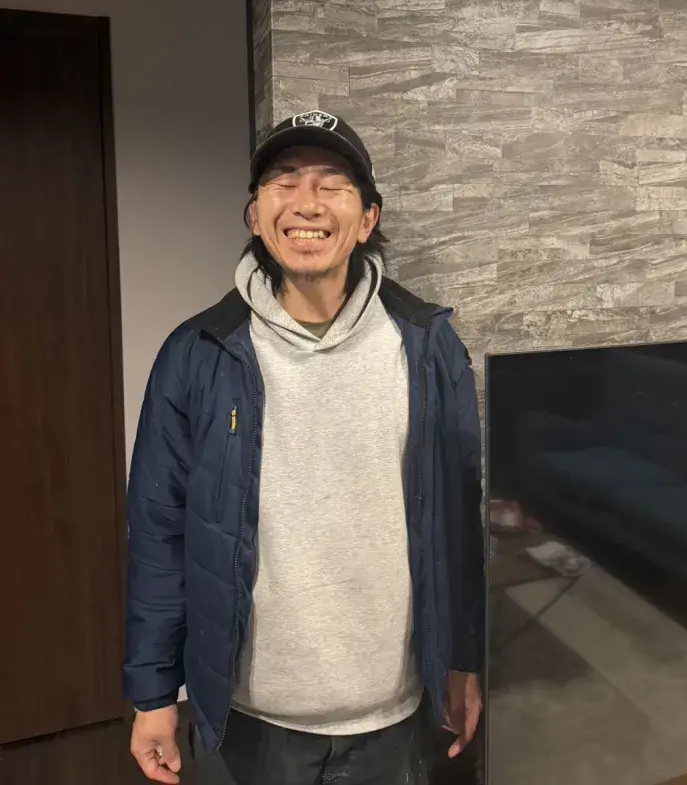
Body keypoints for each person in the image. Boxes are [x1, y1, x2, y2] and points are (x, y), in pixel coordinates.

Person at [124, 110, 485, 784]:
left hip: (395, 711)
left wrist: (464, 660)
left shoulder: (429, 347)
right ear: (256, 216)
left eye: (333, 183)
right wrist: (152, 694)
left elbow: (458, 525)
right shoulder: (197, 355)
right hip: (253, 718)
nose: (307, 202)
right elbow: (158, 533)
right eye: (284, 181)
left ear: (368, 219)